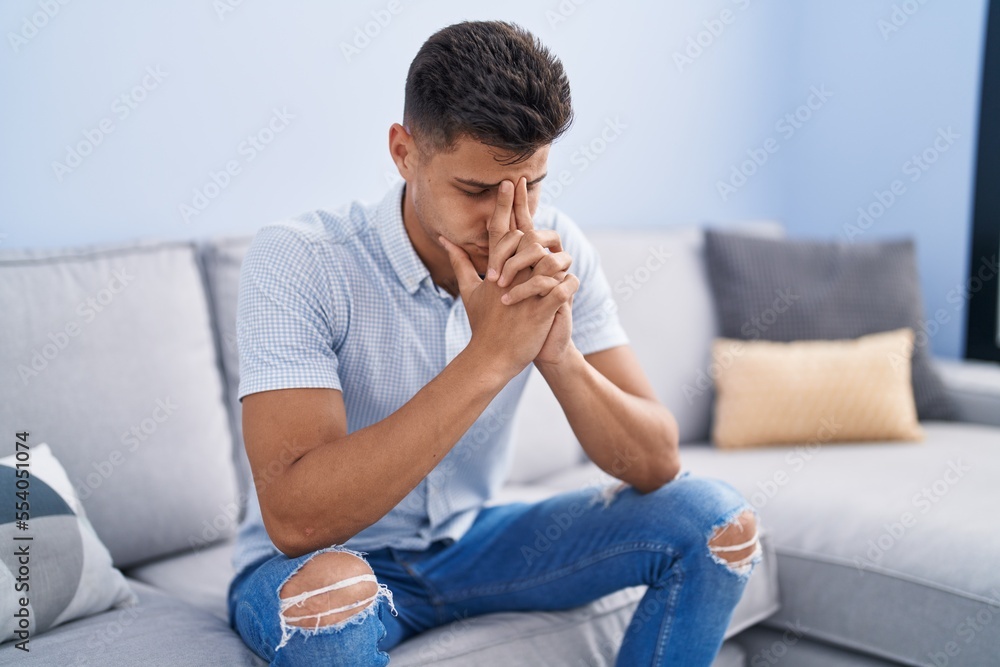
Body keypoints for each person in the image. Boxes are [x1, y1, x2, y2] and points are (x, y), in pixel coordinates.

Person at [227, 20, 761, 666]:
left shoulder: (559, 249)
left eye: (530, 185)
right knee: (332, 597)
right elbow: (296, 519)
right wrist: (490, 357)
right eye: (477, 190)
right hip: (320, 561)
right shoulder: (301, 260)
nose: (511, 219)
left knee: (717, 523)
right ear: (404, 152)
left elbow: (657, 461)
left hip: (473, 543)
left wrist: (557, 355)